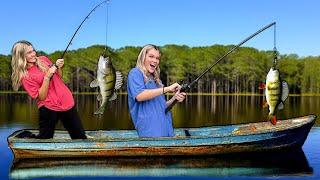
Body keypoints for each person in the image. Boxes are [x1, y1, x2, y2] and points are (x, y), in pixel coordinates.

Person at [11, 40, 87, 139]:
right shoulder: (25, 76)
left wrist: (59, 67)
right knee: (45, 138)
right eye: (29, 53)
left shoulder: (43, 59)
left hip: (67, 101)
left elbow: (59, 77)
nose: (34, 54)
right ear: (21, 56)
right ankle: (27, 139)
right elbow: (41, 97)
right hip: (48, 107)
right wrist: (47, 77)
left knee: (80, 137)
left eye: (33, 50)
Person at [127, 44, 187, 138]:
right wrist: (167, 89)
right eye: (151, 56)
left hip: (166, 131)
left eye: (157, 58)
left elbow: (162, 107)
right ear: (143, 57)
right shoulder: (135, 73)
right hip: (150, 133)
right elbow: (139, 96)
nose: (155, 61)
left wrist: (174, 99)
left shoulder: (156, 80)